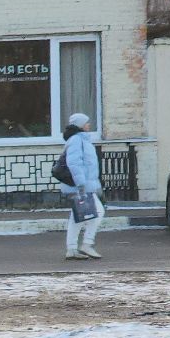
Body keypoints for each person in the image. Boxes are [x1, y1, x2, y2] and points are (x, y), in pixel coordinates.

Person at [60, 111, 104, 261]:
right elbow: (74, 163)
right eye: (86, 122)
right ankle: (87, 244)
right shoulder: (77, 140)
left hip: (83, 184)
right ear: (80, 125)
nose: (89, 125)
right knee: (99, 211)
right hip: (81, 185)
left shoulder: (81, 139)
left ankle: (72, 249)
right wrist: (81, 184)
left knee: (76, 216)